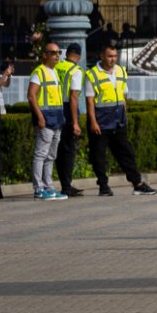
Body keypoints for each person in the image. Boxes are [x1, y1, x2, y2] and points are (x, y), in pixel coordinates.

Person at [85, 41, 157, 197]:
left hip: (118, 121)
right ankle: (103, 186)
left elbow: (124, 96)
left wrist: (126, 115)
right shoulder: (92, 74)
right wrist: (93, 122)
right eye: (109, 56)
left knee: (126, 153)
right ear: (102, 56)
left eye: (115, 56)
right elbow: (89, 101)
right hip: (101, 121)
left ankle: (137, 183)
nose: (113, 59)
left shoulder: (121, 71)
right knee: (99, 156)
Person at [27, 40, 68, 201]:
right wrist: (40, 117)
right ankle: (39, 188)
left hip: (56, 118)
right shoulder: (40, 72)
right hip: (46, 118)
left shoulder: (55, 72)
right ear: (45, 55)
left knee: (51, 155)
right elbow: (31, 96)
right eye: (53, 53)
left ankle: (49, 186)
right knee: (41, 154)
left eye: (58, 53)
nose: (57, 55)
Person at [55, 43, 86, 198]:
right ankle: (66, 186)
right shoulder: (76, 71)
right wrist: (75, 122)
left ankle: (63, 183)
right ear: (79, 56)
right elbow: (74, 96)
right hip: (68, 109)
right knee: (68, 150)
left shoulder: (58, 65)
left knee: (58, 149)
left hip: (54, 107)